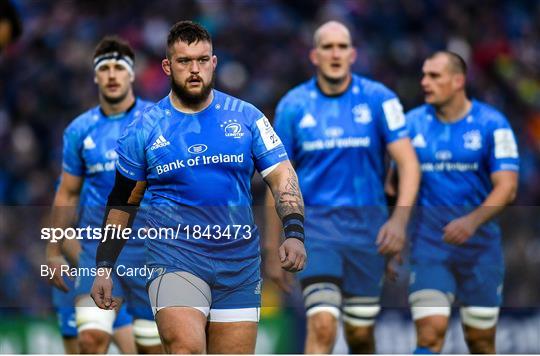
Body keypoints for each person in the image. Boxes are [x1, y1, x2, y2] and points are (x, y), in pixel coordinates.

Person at [90, 20, 306, 354]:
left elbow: (282, 175)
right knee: (186, 348)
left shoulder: (247, 118)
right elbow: (122, 202)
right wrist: (104, 266)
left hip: (239, 267)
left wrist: (293, 231)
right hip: (174, 258)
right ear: (167, 66)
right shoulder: (144, 128)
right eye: (184, 61)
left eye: (202, 60)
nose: (195, 69)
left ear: (214, 63)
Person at [265, 21, 420, 354]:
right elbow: (276, 177)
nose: (335, 53)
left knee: (360, 335)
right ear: (314, 55)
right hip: (317, 235)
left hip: (368, 237)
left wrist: (398, 222)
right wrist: (271, 245)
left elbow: (407, 163)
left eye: (341, 46)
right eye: (327, 46)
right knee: (322, 325)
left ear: (352, 54)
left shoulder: (380, 100)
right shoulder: (293, 106)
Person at [392, 51, 519, 354]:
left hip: (480, 251)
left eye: (434, 76)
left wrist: (471, 221)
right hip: (430, 249)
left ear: (458, 81)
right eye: (423, 75)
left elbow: (508, 187)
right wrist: (394, 231)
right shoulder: (410, 125)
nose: (424, 82)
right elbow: (393, 185)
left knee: (480, 342)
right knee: (430, 333)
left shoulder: (493, 124)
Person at [45, 36, 162, 354]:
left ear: (132, 74)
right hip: (96, 253)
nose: (112, 75)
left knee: (150, 348)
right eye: (105, 68)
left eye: (119, 68)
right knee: (91, 340)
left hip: (148, 253)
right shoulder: (79, 130)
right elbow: (67, 193)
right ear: (96, 76)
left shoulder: (157, 121)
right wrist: (54, 249)